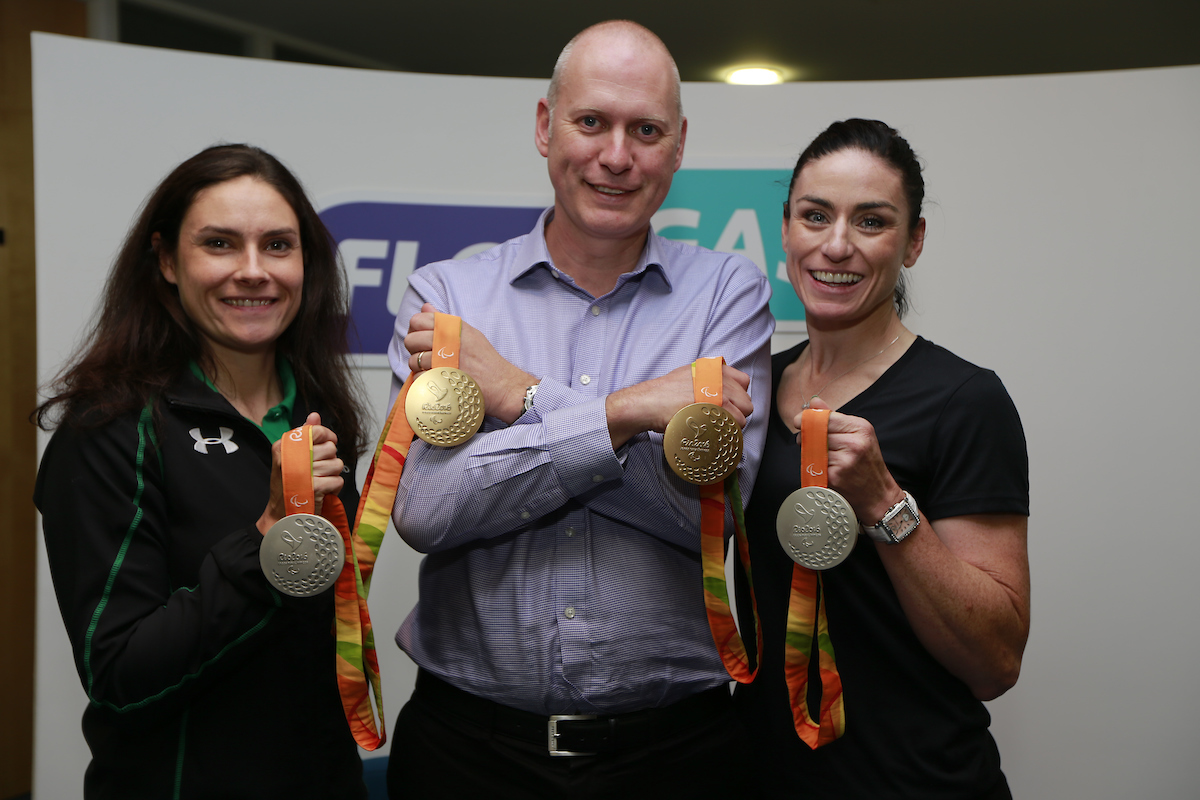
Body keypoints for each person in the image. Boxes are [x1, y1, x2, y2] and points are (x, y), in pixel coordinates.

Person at [385, 20, 773, 799]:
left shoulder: (727, 297)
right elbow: (427, 509)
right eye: (591, 121)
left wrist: (519, 398)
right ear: (544, 125)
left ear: (679, 144)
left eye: (646, 130)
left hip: (675, 757)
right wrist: (632, 414)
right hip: (468, 754)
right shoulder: (448, 298)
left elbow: (707, 515)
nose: (617, 155)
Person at [35, 144, 370, 800]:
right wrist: (266, 539)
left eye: (278, 246)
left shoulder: (319, 411)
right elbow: (120, 678)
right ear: (165, 260)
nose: (253, 272)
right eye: (219, 243)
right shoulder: (110, 427)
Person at [732, 119, 1030, 798]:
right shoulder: (753, 389)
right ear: (786, 231)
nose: (837, 246)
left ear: (913, 241)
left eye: (871, 221)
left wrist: (885, 505)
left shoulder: (963, 399)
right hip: (760, 776)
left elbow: (995, 662)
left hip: (915, 781)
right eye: (816, 216)